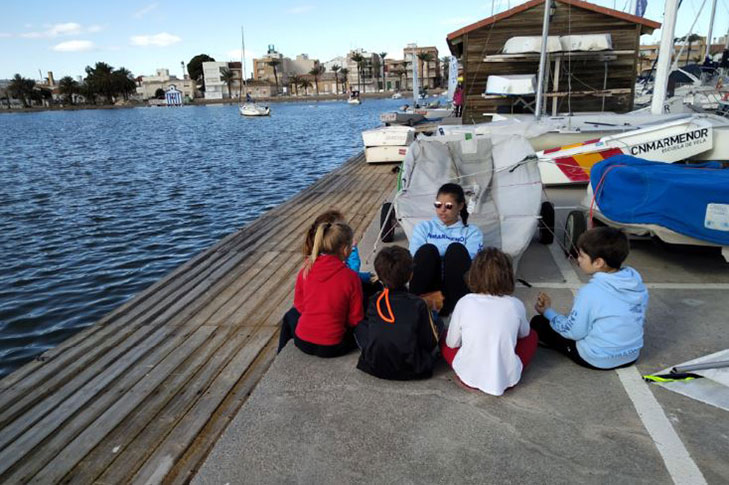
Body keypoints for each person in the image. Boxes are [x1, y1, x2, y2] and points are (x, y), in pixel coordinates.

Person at [531, 227, 648, 370]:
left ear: (598, 262)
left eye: (581, 256)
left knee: (539, 323)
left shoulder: (590, 292)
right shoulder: (635, 280)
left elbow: (574, 333)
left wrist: (548, 312)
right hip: (632, 355)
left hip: (597, 359)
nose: (578, 260)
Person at [440, 248, 537, 396]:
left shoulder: (465, 302)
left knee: (445, 338)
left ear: (473, 275)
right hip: (506, 378)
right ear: (508, 276)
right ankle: (504, 364)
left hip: (469, 375)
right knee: (532, 336)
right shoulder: (515, 304)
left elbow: (452, 343)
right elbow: (524, 334)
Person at [279, 221, 364, 358]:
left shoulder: (306, 270)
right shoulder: (351, 277)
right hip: (333, 346)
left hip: (302, 341)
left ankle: (280, 353)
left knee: (290, 316)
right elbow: (355, 318)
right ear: (345, 249)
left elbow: (300, 306)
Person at [356, 247, 441, 380]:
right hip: (412, 368)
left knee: (361, 325)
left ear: (379, 275)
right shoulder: (418, 304)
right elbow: (429, 341)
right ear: (411, 275)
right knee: (438, 324)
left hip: (375, 366)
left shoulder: (374, 301)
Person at [409, 183, 483, 316]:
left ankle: (456, 307)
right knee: (427, 251)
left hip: (455, 286)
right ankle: (417, 305)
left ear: (460, 206)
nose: (442, 210)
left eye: (448, 206)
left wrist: (445, 253)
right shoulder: (423, 227)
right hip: (430, 284)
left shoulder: (472, 232)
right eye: (438, 205)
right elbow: (415, 255)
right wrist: (439, 253)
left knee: (456, 250)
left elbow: (470, 260)